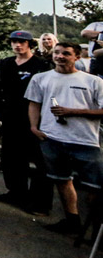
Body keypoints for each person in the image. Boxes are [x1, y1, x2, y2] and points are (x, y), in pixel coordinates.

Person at [26, 41, 103, 235]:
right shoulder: (40, 78)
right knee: (62, 180)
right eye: (57, 53)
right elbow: (34, 103)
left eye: (66, 53)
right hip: (52, 138)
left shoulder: (93, 82)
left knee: (95, 187)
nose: (60, 57)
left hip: (85, 140)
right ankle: (72, 221)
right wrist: (34, 127)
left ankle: (96, 229)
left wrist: (72, 111)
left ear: (77, 57)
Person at [0, 30, 52, 215]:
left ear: (29, 44)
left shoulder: (41, 65)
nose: (18, 45)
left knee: (40, 161)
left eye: (22, 42)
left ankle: (40, 202)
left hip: (34, 118)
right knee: (11, 158)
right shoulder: (5, 63)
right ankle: (16, 192)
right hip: (9, 116)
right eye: (14, 42)